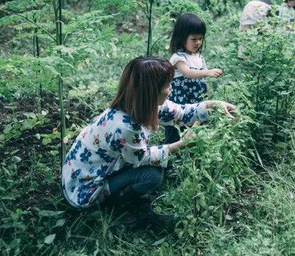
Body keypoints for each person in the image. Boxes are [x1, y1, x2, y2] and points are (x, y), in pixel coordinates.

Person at [61, 56, 236, 232]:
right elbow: (141, 158)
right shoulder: (125, 126)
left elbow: (182, 112)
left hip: (81, 171)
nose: (171, 88)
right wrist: (183, 143)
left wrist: (215, 105)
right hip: (85, 187)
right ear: (151, 91)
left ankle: (117, 192)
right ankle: (112, 205)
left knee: (149, 169)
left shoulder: (137, 103)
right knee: (153, 175)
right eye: (167, 84)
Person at [165, 13, 222, 143]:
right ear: (182, 37)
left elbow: (202, 77)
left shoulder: (198, 56)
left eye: (200, 39)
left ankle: (191, 149)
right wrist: (208, 73)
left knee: (196, 126)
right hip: (181, 99)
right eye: (194, 39)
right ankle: (171, 152)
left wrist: (207, 90)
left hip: (196, 98)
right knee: (177, 125)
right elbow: (187, 73)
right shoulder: (178, 57)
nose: (198, 43)